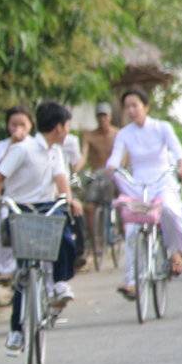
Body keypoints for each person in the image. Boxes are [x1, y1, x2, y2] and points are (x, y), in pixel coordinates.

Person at [0, 101, 81, 354]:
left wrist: (70, 199)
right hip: (22, 209)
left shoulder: (56, 152)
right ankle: (16, 331)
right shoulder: (24, 149)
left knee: (66, 231)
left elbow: (61, 181)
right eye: (67, 126)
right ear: (59, 127)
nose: (68, 131)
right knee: (25, 271)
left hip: (48, 207)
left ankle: (60, 282)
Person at [107, 87, 182, 294]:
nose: (131, 110)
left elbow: (178, 150)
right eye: (127, 107)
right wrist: (111, 167)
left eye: (135, 105)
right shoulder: (124, 134)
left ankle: (175, 251)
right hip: (138, 185)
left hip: (163, 181)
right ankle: (131, 281)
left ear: (146, 106)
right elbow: (115, 157)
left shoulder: (161, 128)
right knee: (132, 230)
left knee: (171, 211)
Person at [0, 106, 34, 283]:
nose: (18, 128)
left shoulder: (36, 145)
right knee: (3, 230)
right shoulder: (1, 146)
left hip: (34, 197)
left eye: (22, 124)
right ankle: (6, 270)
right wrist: (13, 145)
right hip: (11, 198)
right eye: (13, 124)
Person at [80, 104, 119, 255]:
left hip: (114, 174)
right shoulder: (89, 136)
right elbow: (84, 155)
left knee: (124, 201)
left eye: (105, 115)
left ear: (110, 117)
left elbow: (124, 156)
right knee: (89, 206)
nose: (103, 119)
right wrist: (75, 168)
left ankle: (124, 231)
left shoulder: (118, 134)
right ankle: (95, 241)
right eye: (100, 116)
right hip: (97, 175)